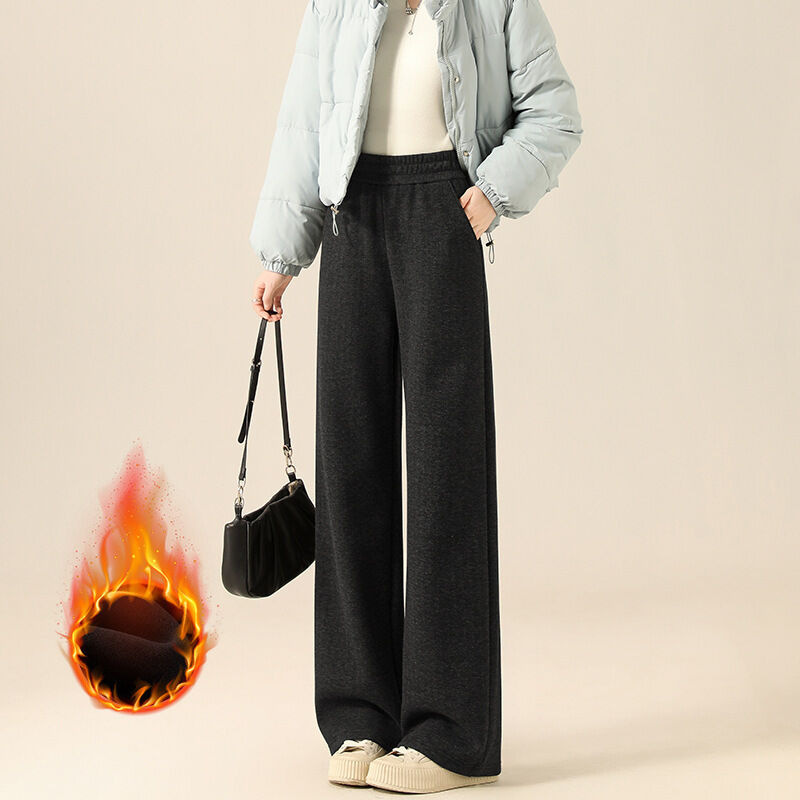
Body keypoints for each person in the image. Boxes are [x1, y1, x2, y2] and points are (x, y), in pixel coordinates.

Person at [248, 0, 582, 793]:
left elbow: (556, 112)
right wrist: (281, 253)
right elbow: (304, 120)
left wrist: (491, 191)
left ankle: (450, 734)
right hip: (349, 221)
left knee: (445, 471)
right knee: (350, 464)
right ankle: (359, 714)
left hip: (443, 214)